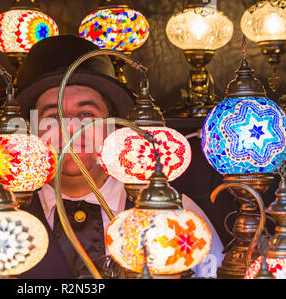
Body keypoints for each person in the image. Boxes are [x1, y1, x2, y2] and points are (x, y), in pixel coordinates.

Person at [14, 35, 224, 279]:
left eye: (86, 114)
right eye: (52, 116)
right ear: (31, 130)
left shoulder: (175, 214)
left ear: (113, 127)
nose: (70, 129)